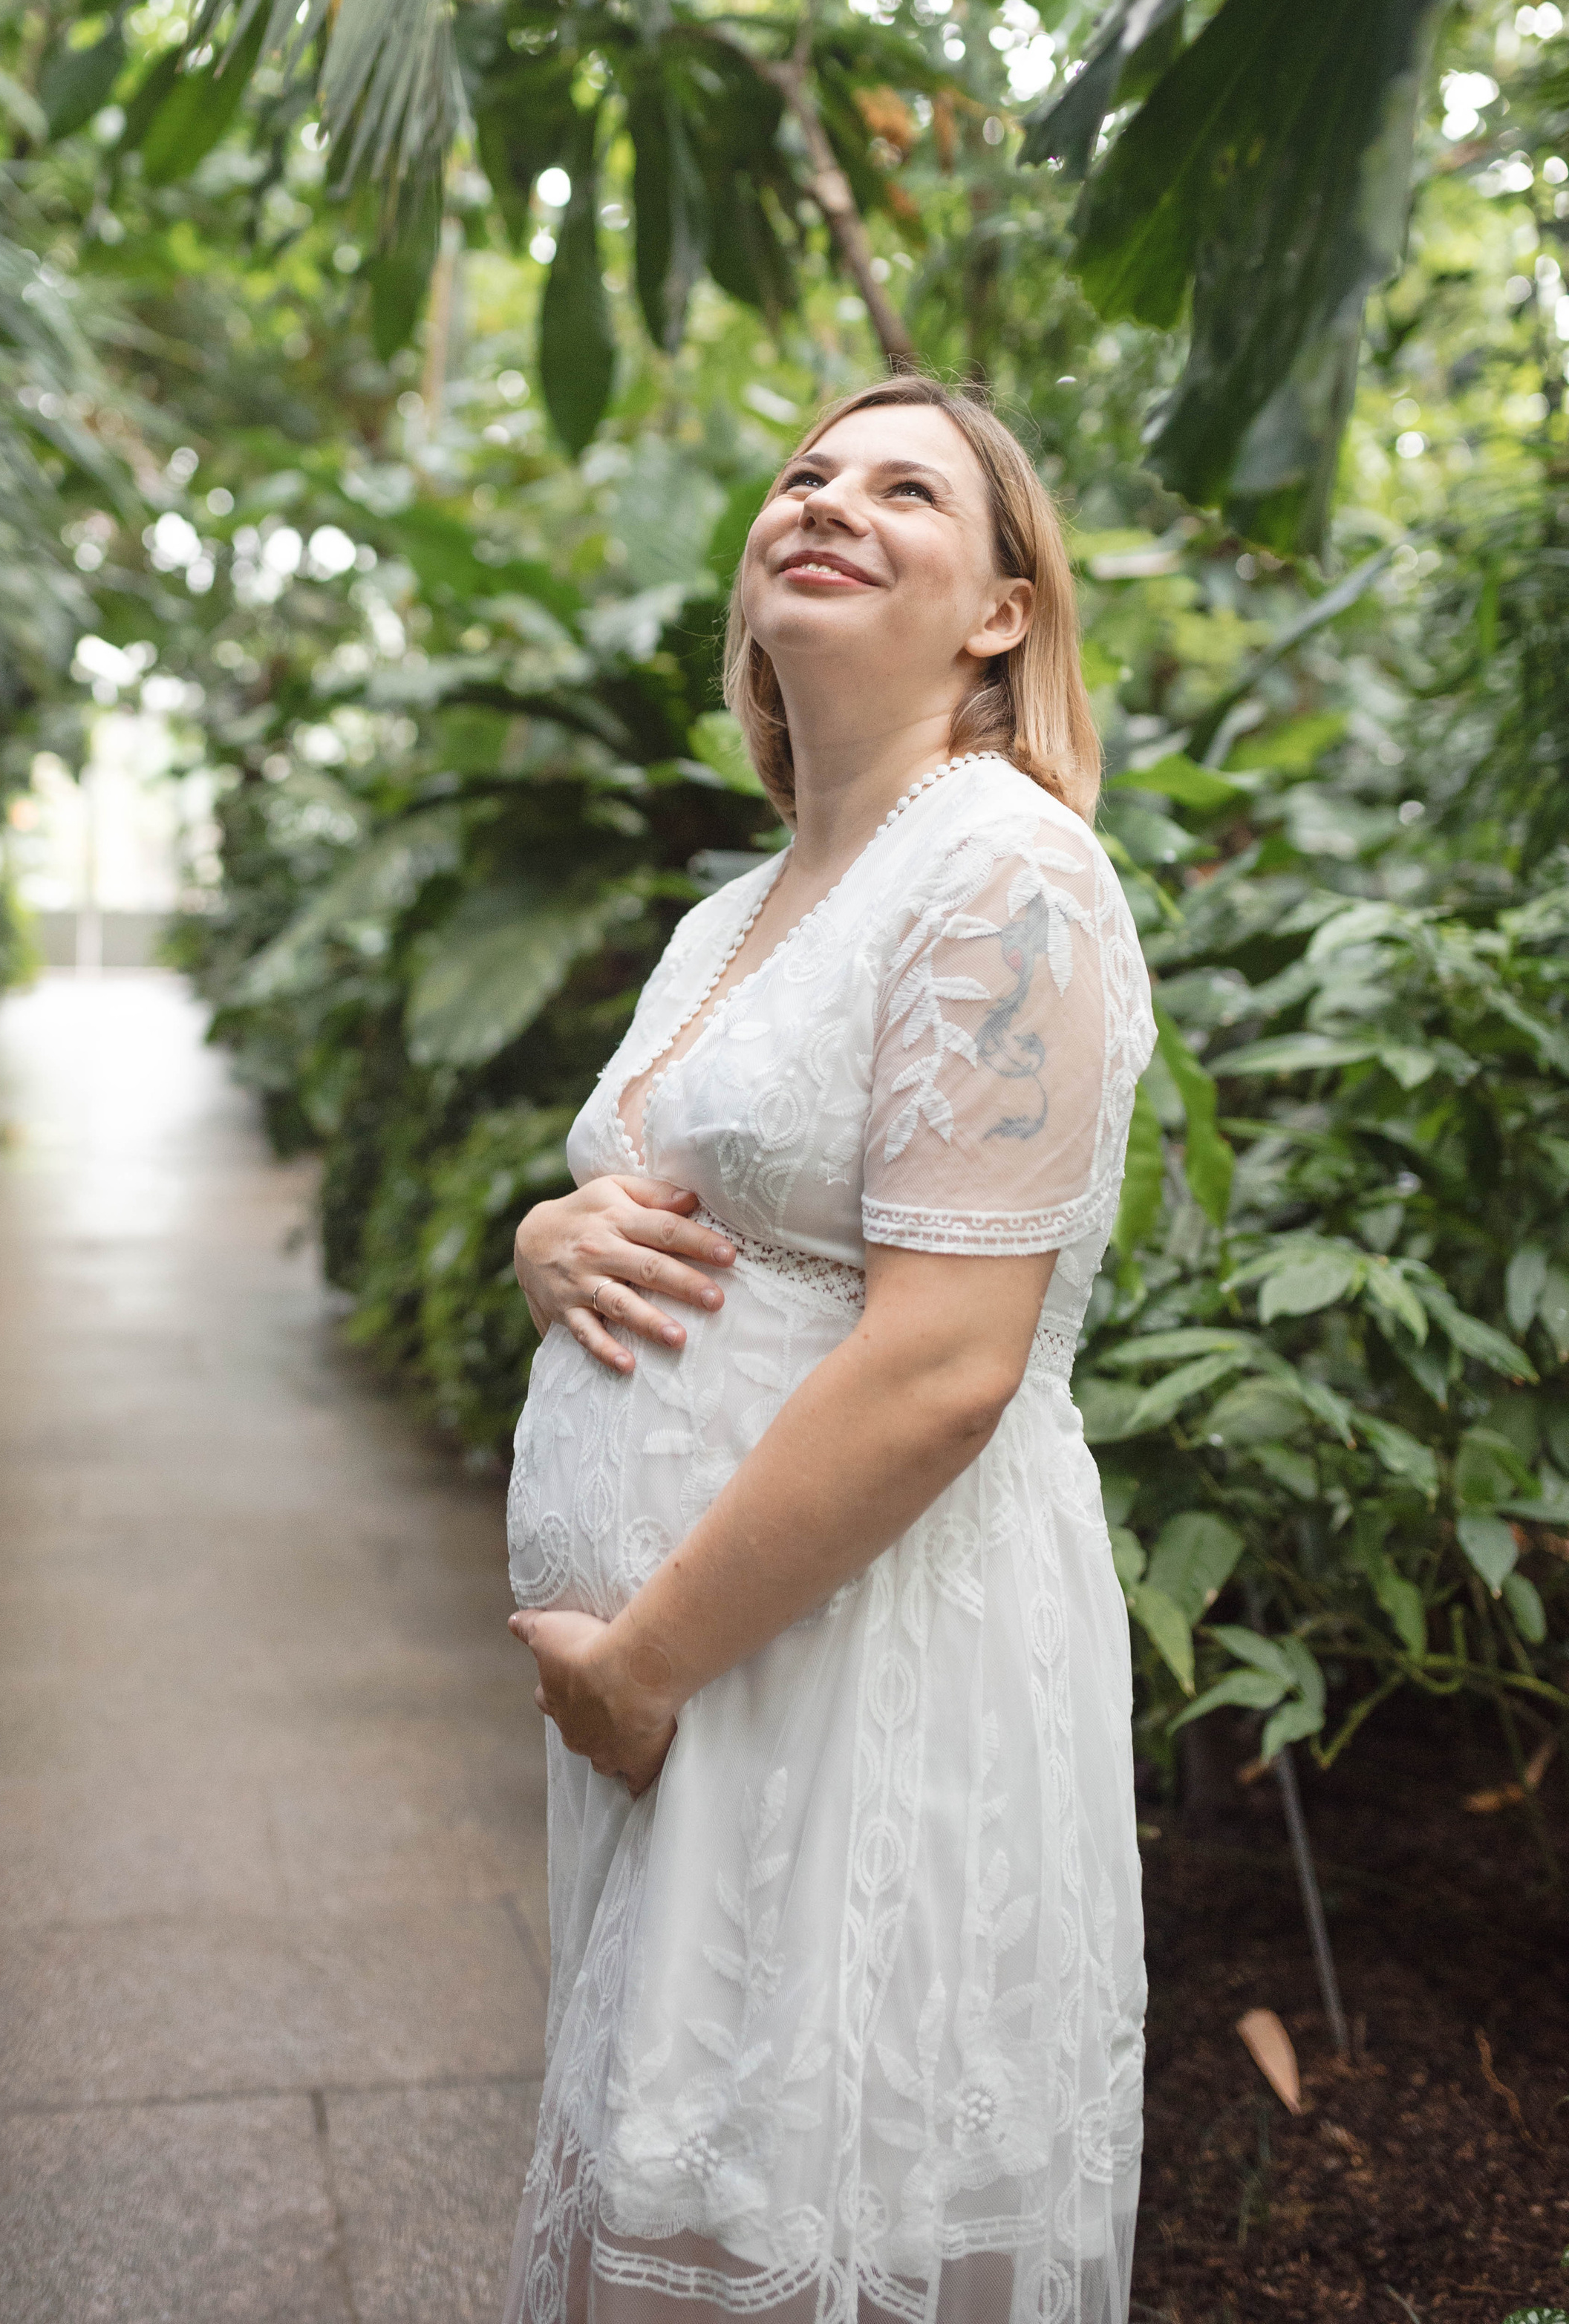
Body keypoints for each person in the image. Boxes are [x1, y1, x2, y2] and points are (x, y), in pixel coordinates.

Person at [502, 376, 1155, 2324]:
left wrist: (638, 1668)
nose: (828, 501)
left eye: (904, 490)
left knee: (813, 2219)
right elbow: (665, 1190)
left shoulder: (1005, 872)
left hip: (849, 1658)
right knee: (691, 2190)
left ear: (1000, 615)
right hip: (701, 1688)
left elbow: (952, 1357)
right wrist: (553, 1236)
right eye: (803, 475)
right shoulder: (727, 919)